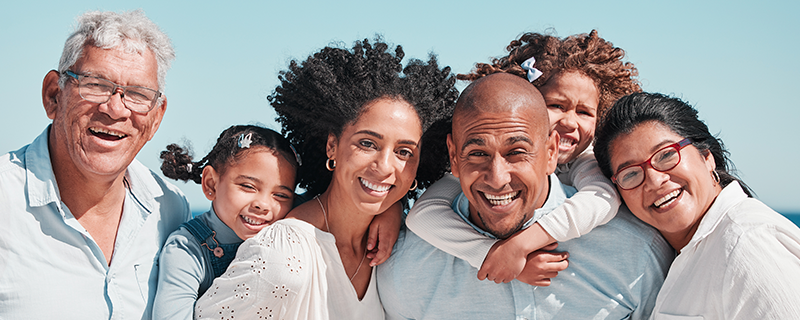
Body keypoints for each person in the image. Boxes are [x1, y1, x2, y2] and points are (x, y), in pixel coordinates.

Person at [193, 38, 458, 319]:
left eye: (404, 152)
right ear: (332, 146)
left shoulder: (395, 249)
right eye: (367, 143)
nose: (384, 167)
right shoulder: (283, 259)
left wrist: (395, 206)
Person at [377, 73, 673, 319]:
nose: (497, 178)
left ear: (551, 152)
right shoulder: (405, 267)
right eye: (477, 153)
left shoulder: (637, 253)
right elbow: (423, 213)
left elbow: (602, 197)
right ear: (453, 156)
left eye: (516, 152)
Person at [407, 30, 641, 283]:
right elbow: (424, 214)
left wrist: (521, 246)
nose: (570, 122)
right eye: (557, 106)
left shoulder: (586, 159)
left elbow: (602, 200)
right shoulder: (475, 168)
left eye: (584, 112)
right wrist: (490, 255)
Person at [0, 10, 189, 319]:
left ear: (156, 117)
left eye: (138, 94)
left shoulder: (171, 211)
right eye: (95, 84)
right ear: (53, 96)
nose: (115, 109)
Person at [593, 92, 800, 319]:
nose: (654, 180)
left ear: (706, 156)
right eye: (630, 174)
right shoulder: (674, 256)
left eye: (666, 156)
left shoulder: (747, 243)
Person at [151, 125, 300, 319]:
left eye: (280, 195)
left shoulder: (293, 226)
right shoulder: (187, 249)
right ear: (211, 183)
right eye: (248, 186)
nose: (263, 204)